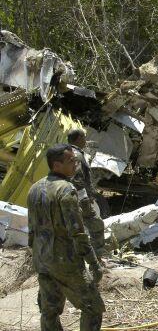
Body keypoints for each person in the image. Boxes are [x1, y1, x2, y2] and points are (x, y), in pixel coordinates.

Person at [27, 144, 105, 331]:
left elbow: (31, 230)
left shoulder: (34, 189)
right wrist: (94, 264)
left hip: (42, 259)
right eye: (71, 161)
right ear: (56, 165)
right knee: (93, 308)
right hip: (64, 261)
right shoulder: (66, 190)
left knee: (49, 311)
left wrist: (37, 256)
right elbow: (77, 232)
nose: (75, 164)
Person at [68, 128, 105, 257]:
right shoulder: (76, 155)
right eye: (84, 137)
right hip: (80, 198)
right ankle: (98, 259)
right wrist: (85, 197)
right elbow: (77, 178)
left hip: (71, 197)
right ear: (78, 139)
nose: (85, 140)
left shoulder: (67, 152)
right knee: (97, 226)